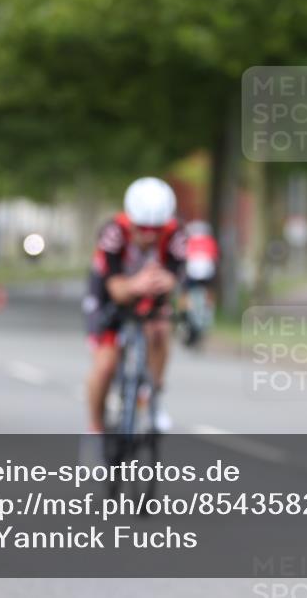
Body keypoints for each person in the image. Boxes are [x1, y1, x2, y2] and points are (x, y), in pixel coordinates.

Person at [83, 177, 187, 438]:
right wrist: (136, 284)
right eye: (142, 228)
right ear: (129, 221)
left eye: (157, 228)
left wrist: (167, 282)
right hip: (110, 292)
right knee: (106, 365)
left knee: (160, 330)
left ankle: (153, 394)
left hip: (151, 290)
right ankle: (96, 427)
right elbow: (116, 289)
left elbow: (175, 280)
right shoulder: (112, 233)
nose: (150, 235)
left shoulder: (176, 235)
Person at [180, 220, 219, 346]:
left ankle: (184, 314)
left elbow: (182, 258)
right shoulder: (210, 241)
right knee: (210, 291)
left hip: (191, 275)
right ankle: (209, 311)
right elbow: (216, 258)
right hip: (207, 276)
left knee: (184, 293)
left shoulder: (188, 241)